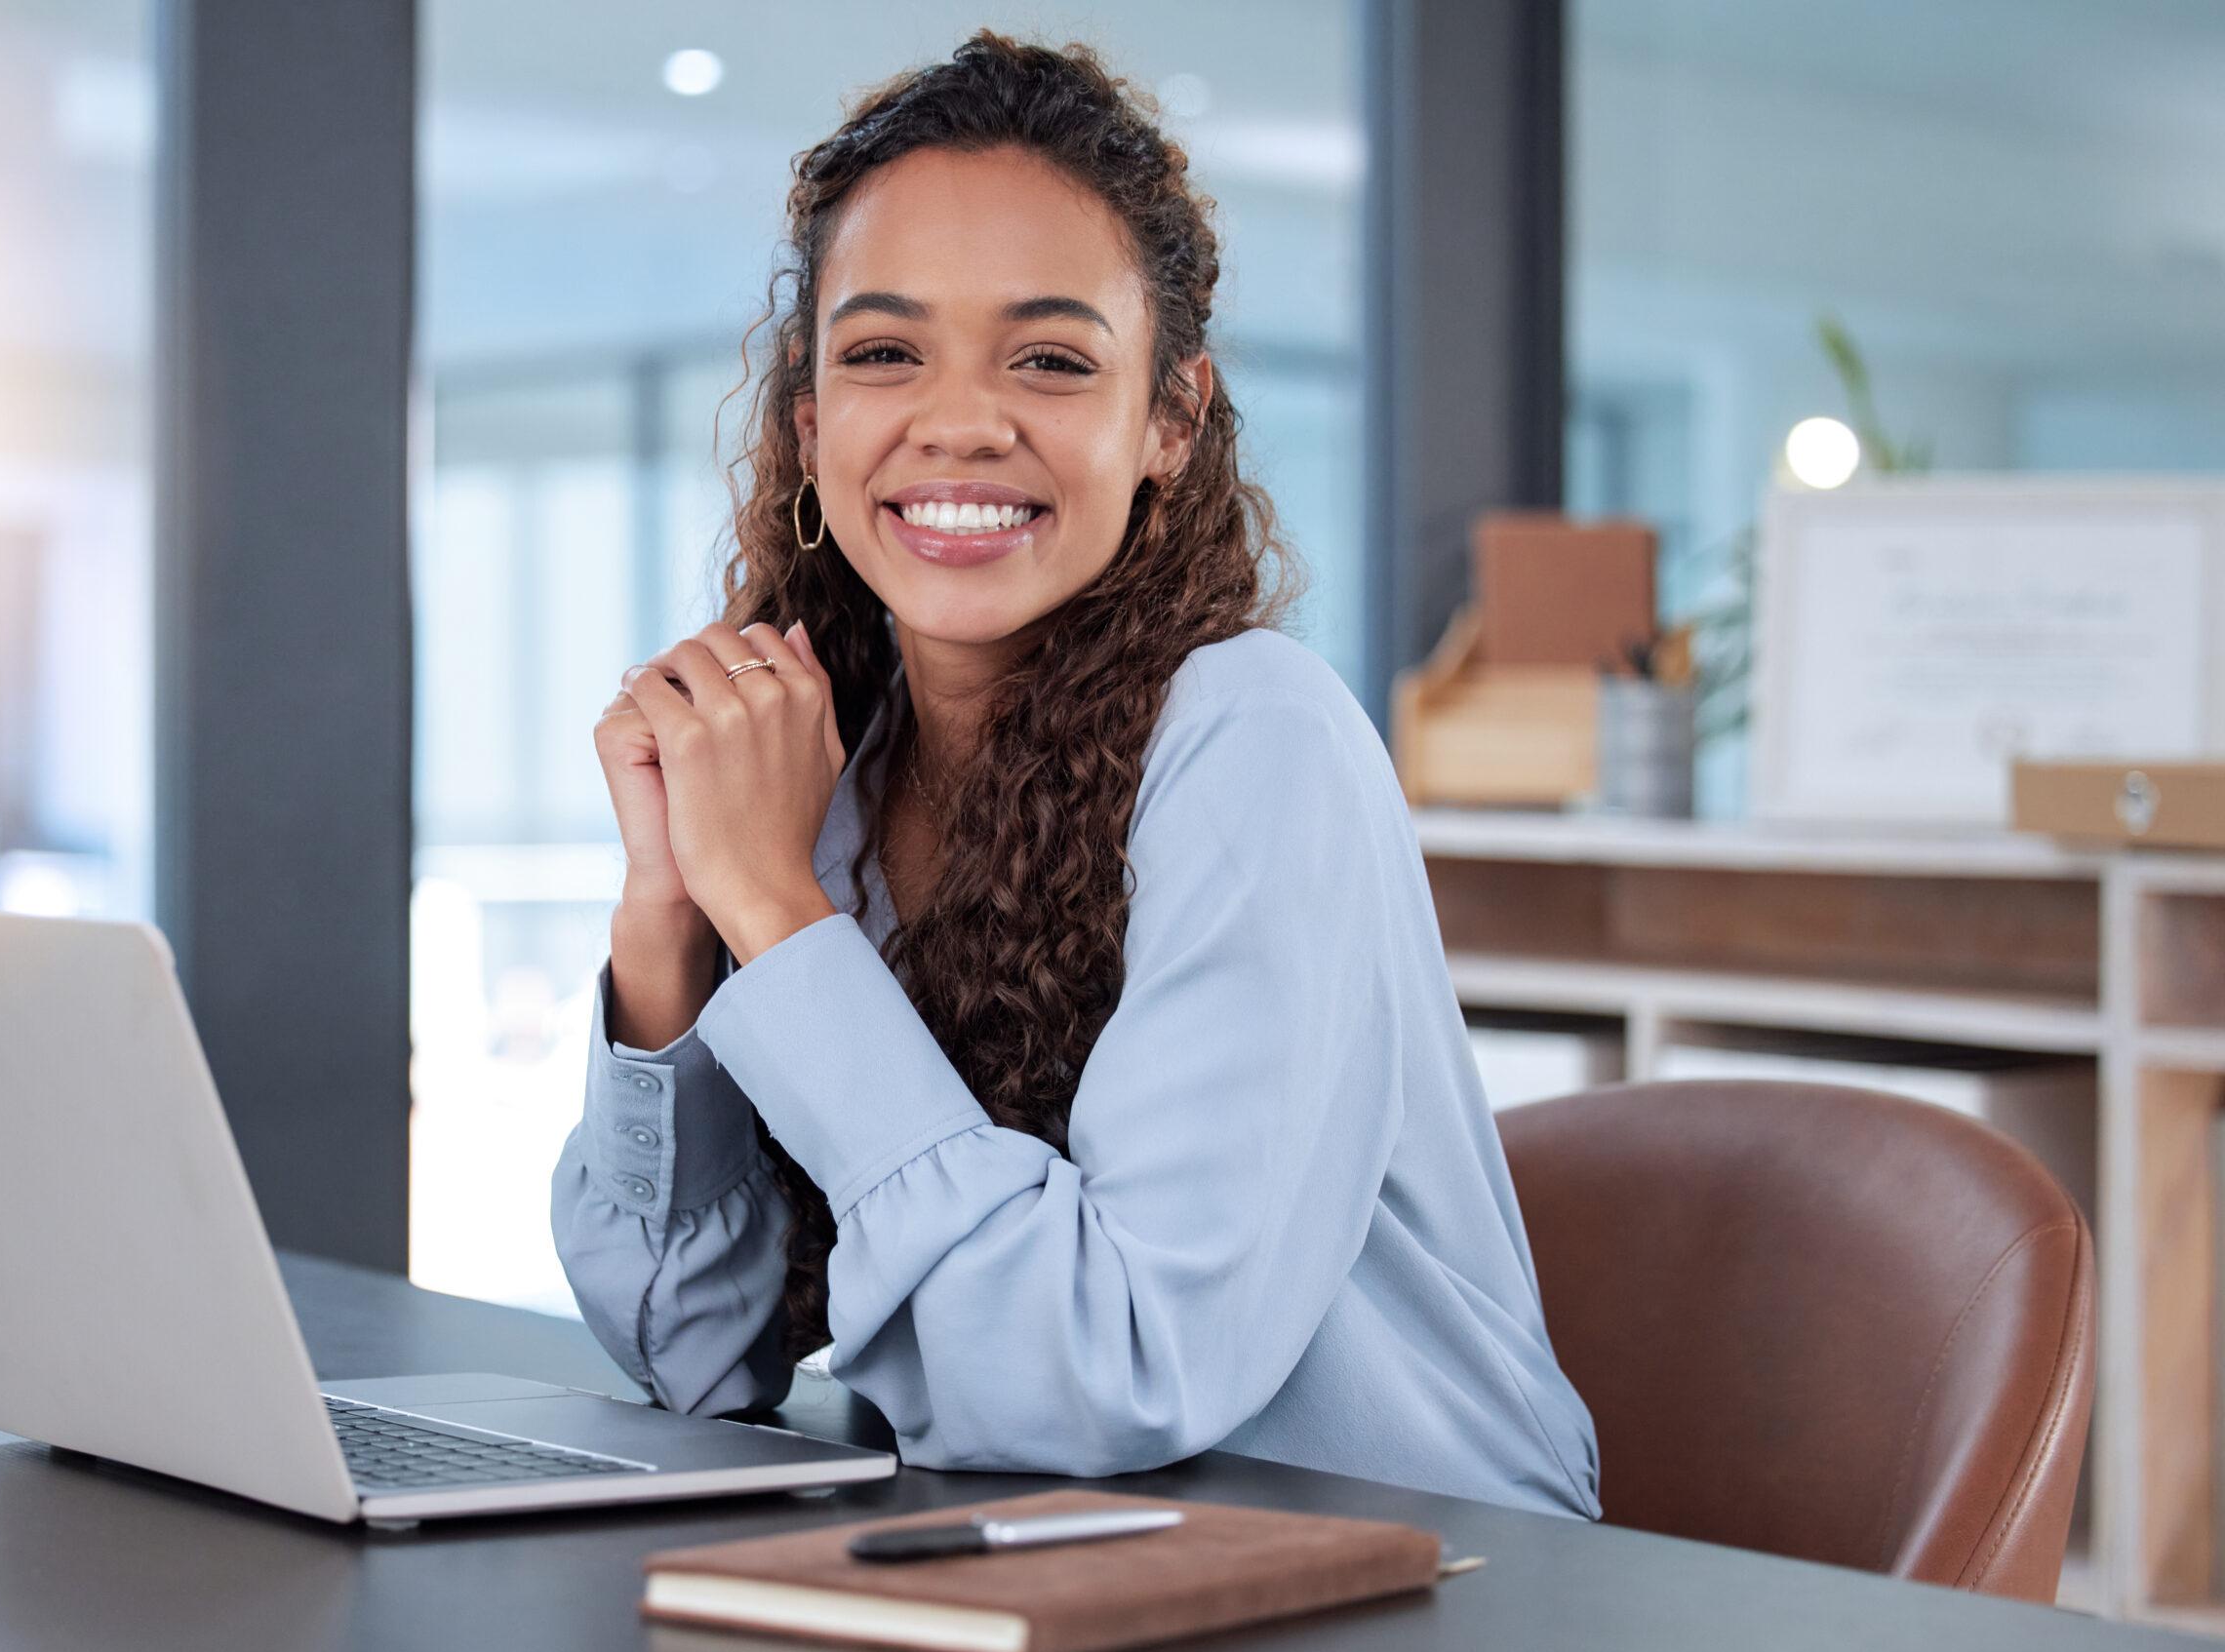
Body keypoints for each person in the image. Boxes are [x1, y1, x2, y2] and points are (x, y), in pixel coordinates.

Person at [551, 31, 1600, 1520]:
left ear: (1168, 419)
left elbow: (1108, 1375)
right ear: (808, 424)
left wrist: (778, 918)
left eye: (1049, 358)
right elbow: (692, 1355)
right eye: (882, 353)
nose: (962, 420)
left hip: (1409, 1588)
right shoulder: (826, 771)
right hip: (1064, 1563)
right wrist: (672, 914)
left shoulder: (1258, 740)